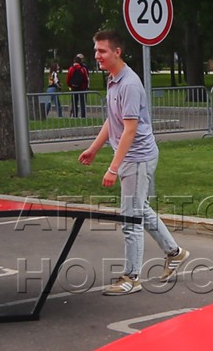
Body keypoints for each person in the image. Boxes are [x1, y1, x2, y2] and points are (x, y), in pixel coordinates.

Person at [79, 28, 188, 295]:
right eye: (95, 51)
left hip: (137, 159)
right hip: (130, 157)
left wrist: (113, 168)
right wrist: (94, 148)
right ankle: (174, 253)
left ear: (117, 52)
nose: (97, 56)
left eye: (102, 51)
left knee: (130, 219)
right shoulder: (113, 79)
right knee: (141, 210)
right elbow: (113, 120)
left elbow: (129, 129)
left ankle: (132, 277)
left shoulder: (128, 83)